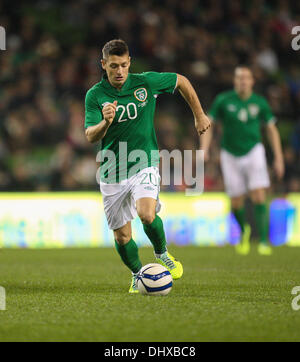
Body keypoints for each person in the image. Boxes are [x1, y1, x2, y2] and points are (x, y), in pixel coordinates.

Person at [84, 39, 210, 292]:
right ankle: (136, 274)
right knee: (122, 237)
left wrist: (199, 115)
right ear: (103, 65)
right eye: (113, 66)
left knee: (147, 214)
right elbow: (90, 135)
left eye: (123, 65)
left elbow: (181, 81)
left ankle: (162, 253)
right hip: (111, 169)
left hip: (145, 162)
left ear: (129, 62)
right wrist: (105, 122)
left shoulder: (145, 82)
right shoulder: (95, 95)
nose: (119, 71)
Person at [202, 66, 284, 255]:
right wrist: (204, 149)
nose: (243, 81)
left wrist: (278, 157)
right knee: (236, 200)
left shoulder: (260, 103)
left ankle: (263, 241)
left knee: (258, 194)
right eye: (239, 78)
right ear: (235, 81)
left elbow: (271, 129)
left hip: (253, 150)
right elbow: (209, 123)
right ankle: (244, 230)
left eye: (246, 78)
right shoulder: (223, 100)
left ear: (252, 82)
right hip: (229, 153)